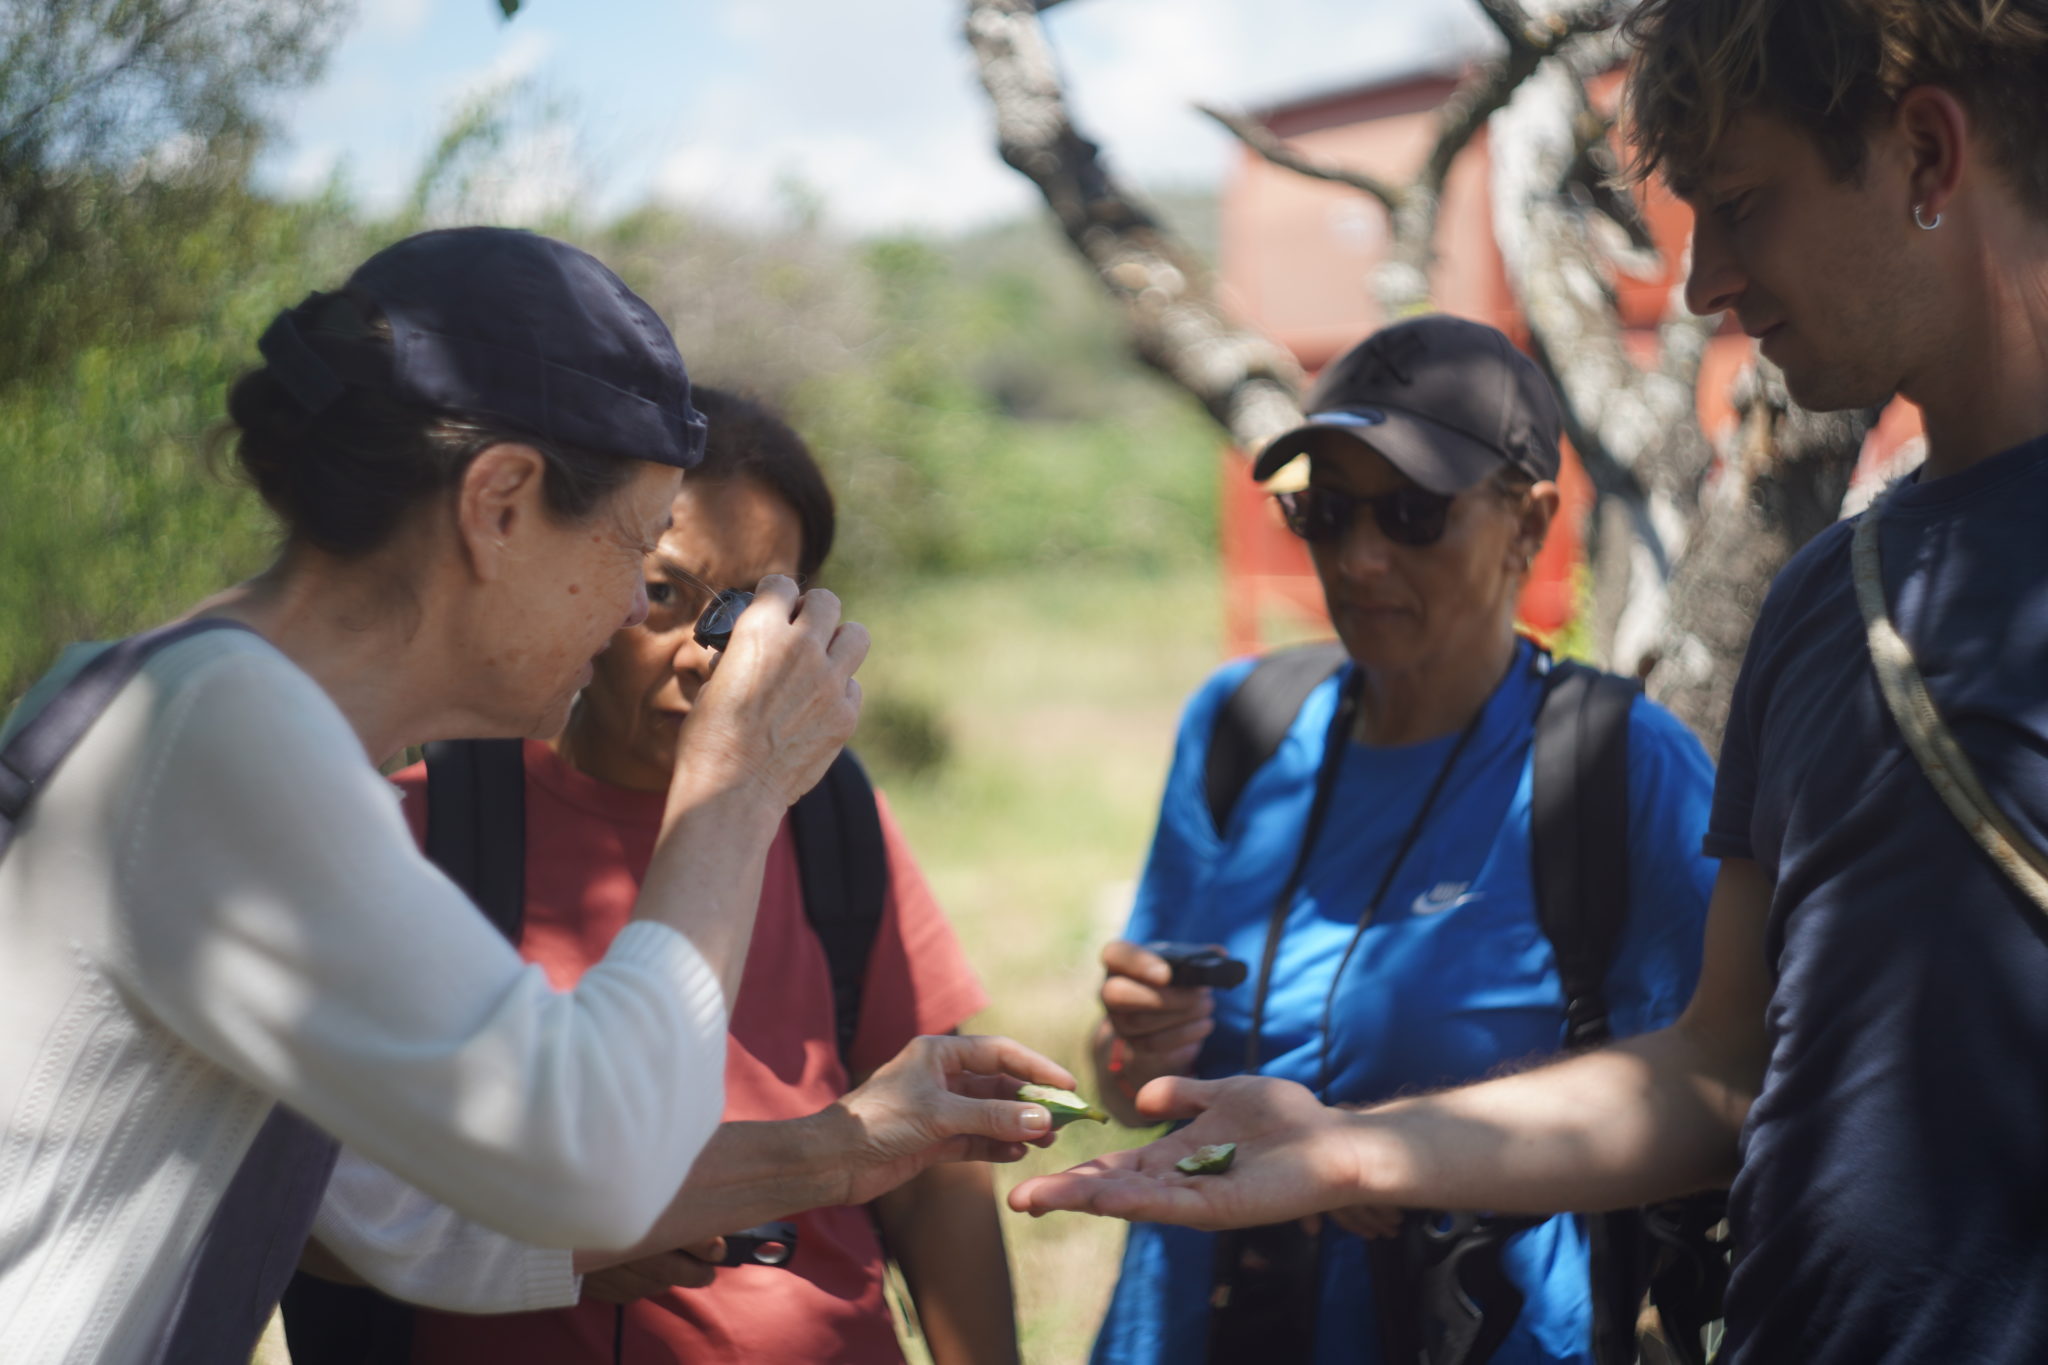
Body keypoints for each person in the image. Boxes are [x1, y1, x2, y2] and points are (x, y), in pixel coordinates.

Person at [1014, 3, 2048, 1361]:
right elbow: (1723, 1069)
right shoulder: (1826, 603)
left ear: (1925, 153)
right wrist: (1357, 1151)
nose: (1702, 287)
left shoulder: (1617, 756)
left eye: (1740, 205)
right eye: (1331, 513)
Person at [0, 227, 1069, 1363]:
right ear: (500, 502)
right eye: (634, 555)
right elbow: (592, 1159)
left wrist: (854, 1148)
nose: (624, 613)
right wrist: (737, 786)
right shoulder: (225, 736)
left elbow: (401, 1214)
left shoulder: (180, 704)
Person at [289, 387, 1020, 1364]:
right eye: (667, 595)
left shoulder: (828, 817)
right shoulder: (421, 831)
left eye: (758, 611)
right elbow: (325, 1208)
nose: (706, 658)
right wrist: (562, 1241)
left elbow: (935, 1169)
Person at [1082, 314, 1718, 1365]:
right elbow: (1125, 1086)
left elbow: (1715, 1099)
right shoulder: (1242, 722)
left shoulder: (1615, 765)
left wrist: (1398, 1155)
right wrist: (1130, 1041)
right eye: (1322, 511)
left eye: (1411, 512)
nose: (1359, 556)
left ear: (1529, 522)